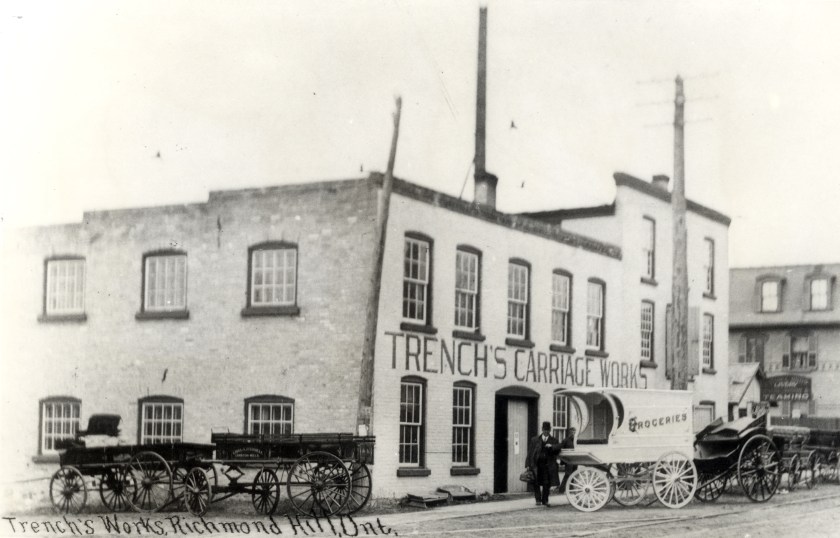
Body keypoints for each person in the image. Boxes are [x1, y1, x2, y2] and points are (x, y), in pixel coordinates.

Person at [526, 421, 561, 506]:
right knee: (536, 482)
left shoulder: (554, 440)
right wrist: (527, 464)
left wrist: (552, 447)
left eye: (548, 430)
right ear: (542, 429)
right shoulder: (535, 439)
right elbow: (530, 452)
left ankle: (545, 500)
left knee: (547, 483)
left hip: (548, 465)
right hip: (536, 465)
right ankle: (538, 500)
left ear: (550, 430)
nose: (546, 432)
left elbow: (558, 451)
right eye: (545, 430)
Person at [558, 427, 577, 494]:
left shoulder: (576, 441)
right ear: (569, 433)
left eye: (574, 432)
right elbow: (561, 449)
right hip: (569, 460)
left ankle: (571, 488)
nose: (573, 434)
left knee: (574, 474)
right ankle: (561, 489)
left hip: (576, 460)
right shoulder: (565, 440)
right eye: (572, 432)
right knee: (568, 474)